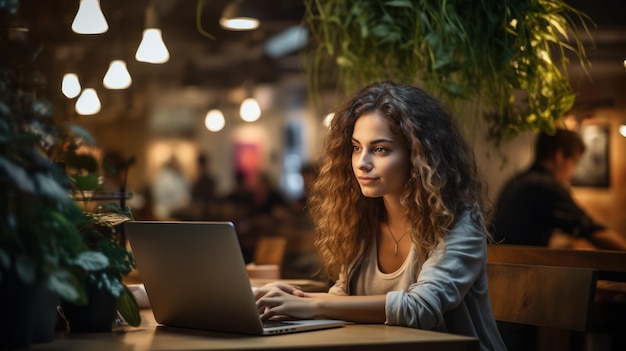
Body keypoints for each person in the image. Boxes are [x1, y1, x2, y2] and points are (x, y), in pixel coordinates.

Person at [254, 81, 506, 351]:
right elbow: (345, 297)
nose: (362, 162)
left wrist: (311, 304)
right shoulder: (362, 216)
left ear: (419, 156)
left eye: (380, 149)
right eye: (356, 147)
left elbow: (421, 308)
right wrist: (297, 299)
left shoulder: (458, 220)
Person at [493, 129, 626, 250]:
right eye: (574, 162)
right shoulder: (543, 186)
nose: (573, 173)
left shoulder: (517, 181)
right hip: (518, 271)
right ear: (559, 156)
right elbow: (589, 230)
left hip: (498, 267)